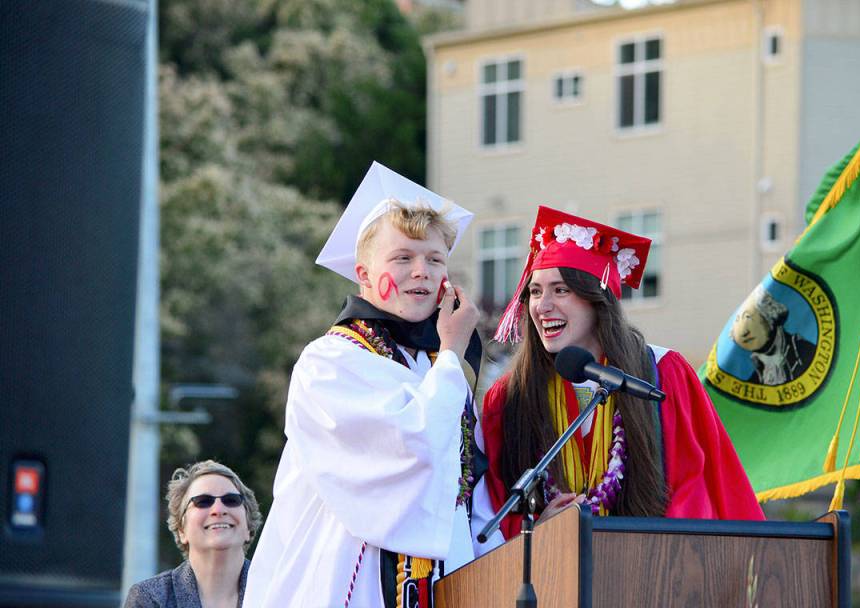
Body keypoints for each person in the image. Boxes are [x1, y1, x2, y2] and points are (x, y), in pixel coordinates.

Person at [243, 162, 493, 608]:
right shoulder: (330, 362)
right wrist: (453, 355)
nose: (422, 271)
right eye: (403, 258)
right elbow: (411, 445)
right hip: (339, 588)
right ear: (363, 275)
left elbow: (464, 499)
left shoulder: (438, 370)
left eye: (435, 259)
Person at [479, 206, 765, 540]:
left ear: (596, 299)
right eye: (535, 291)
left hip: (648, 573)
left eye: (560, 290)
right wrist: (538, 531)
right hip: (548, 579)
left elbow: (692, 491)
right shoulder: (511, 397)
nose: (542, 306)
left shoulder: (660, 374)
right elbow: (492, 510)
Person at [124, 460, 263, 608]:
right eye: (202, 501)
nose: (218, 509)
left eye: (231, 500)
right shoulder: (149, 599)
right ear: (181, 530)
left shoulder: (280, 589)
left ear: (249, 526)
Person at [730, 284, 816, 386]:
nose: (744, 333)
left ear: (769, 314)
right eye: (737, 320)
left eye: (748, 317)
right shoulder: (754, 379)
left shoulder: (804, 351)